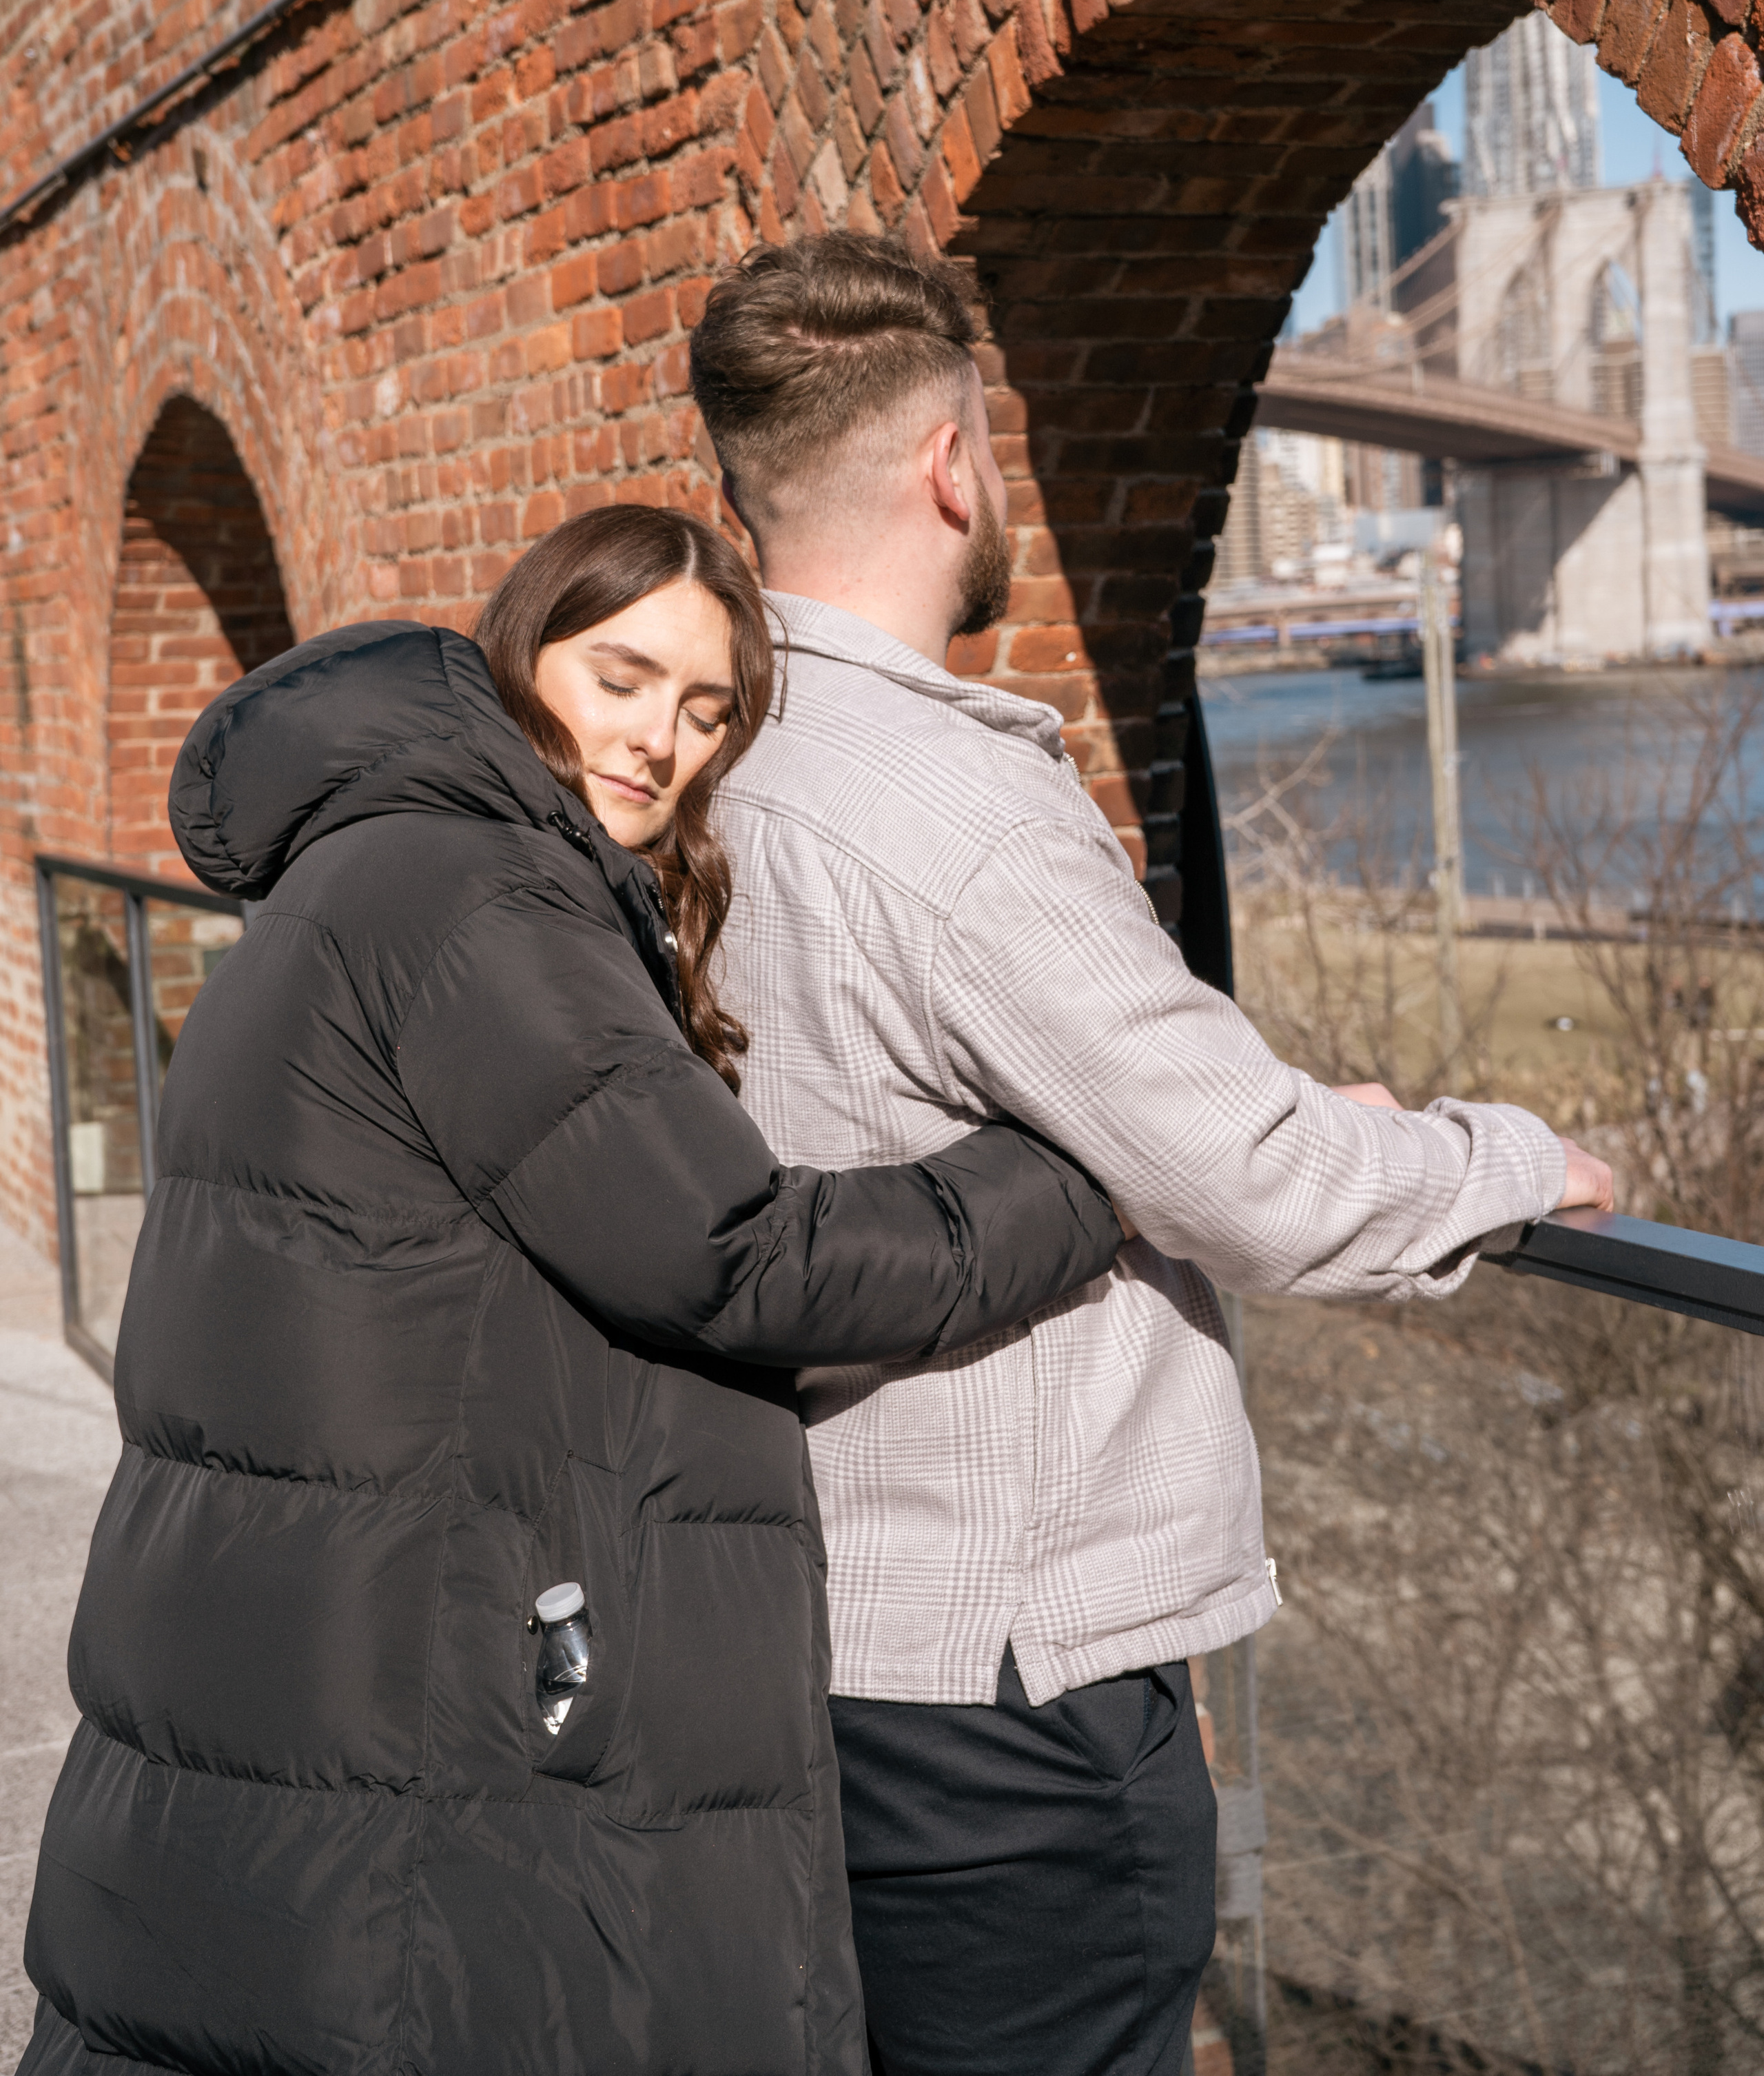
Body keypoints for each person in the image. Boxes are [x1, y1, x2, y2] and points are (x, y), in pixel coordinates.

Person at [17, 505, 1122, 2076]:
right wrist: (1084, 1173)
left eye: (704, 710)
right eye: (620, 678)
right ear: (519, 653)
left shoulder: (374, 866)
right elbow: (733, 1251)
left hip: (315, 1642)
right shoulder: (478, 892)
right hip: (411, 1671)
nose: (657, 743)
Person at [689, 234, 1615, 2076]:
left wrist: (1227, 1119)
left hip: (801, 1639)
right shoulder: (955, 813)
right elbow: (1251, 1189)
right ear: (958, 459)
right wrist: (1507, 1157)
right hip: (1008, 1695)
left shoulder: (701, 761)